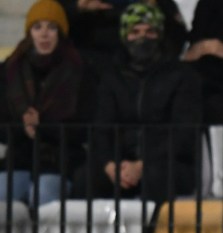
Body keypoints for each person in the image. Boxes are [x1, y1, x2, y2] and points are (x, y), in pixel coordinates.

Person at [71, 2, 202, 203]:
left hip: (168, 163)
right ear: (125, 35)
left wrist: (141, 166)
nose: (142, 37)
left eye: (150, 31)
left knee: (156, 176)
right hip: (120, 163)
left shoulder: (181, 76)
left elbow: (183, 133)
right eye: (135, 31)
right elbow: (101, 128)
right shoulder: (112, 77)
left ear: (160, 34)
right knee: (84, 179)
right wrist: (110, 166)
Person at [0, 0, 94, 207]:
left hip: (61, 162)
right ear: (29, 32)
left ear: (60, 33)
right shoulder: (10, 69)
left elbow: (84, 127)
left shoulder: (79, 70)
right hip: (20, 158)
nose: (44, 34)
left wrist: (44, 127)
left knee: (44, 195)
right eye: (37, 27)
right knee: (3, 194)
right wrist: (24, 126)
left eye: (51, 27)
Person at [56, 0, 187, 74]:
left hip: (143, 70)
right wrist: (78, 7)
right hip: (89, 65)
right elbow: (50, 26)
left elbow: (177, 37)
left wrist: (154, 10)